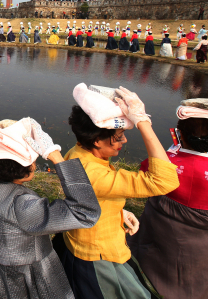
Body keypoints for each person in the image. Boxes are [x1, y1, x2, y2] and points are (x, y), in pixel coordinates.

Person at [61, 84, 180, 299]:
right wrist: (143, 122)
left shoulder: (78, 151)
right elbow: (165, 181)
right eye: (118, 136)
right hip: (99, 256)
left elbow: (87, 197)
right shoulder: (91, 172)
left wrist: (117, 211)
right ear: (96, 139)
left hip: (92, 240)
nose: (123, 140)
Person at [0, 118, 101, 299]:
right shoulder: (24, 206)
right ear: (21, 167)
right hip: (23, 275)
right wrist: (56, 156)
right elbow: (86, 212)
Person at [128, 98, 208, 299]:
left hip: (156, 236)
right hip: (202, 250)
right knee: (195, 283)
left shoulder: (161, 165)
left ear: (179, 134)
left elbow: (145, 178)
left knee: (146, 278)